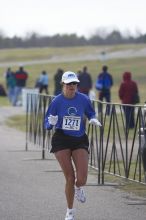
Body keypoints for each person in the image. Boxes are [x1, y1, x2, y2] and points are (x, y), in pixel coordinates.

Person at [44, 71, 101, 220]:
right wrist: (51, 123)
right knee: (70, 176)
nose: (72, 86)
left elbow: (90, 112)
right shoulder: (56, 101)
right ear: (63, 84)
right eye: (69, 84)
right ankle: (70, 211)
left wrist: (93, 119)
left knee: (81, 179)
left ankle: (78, 187)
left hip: (79, 139)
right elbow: (46, 123)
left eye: (75, 83)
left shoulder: (83, 99)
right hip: (61, 139)